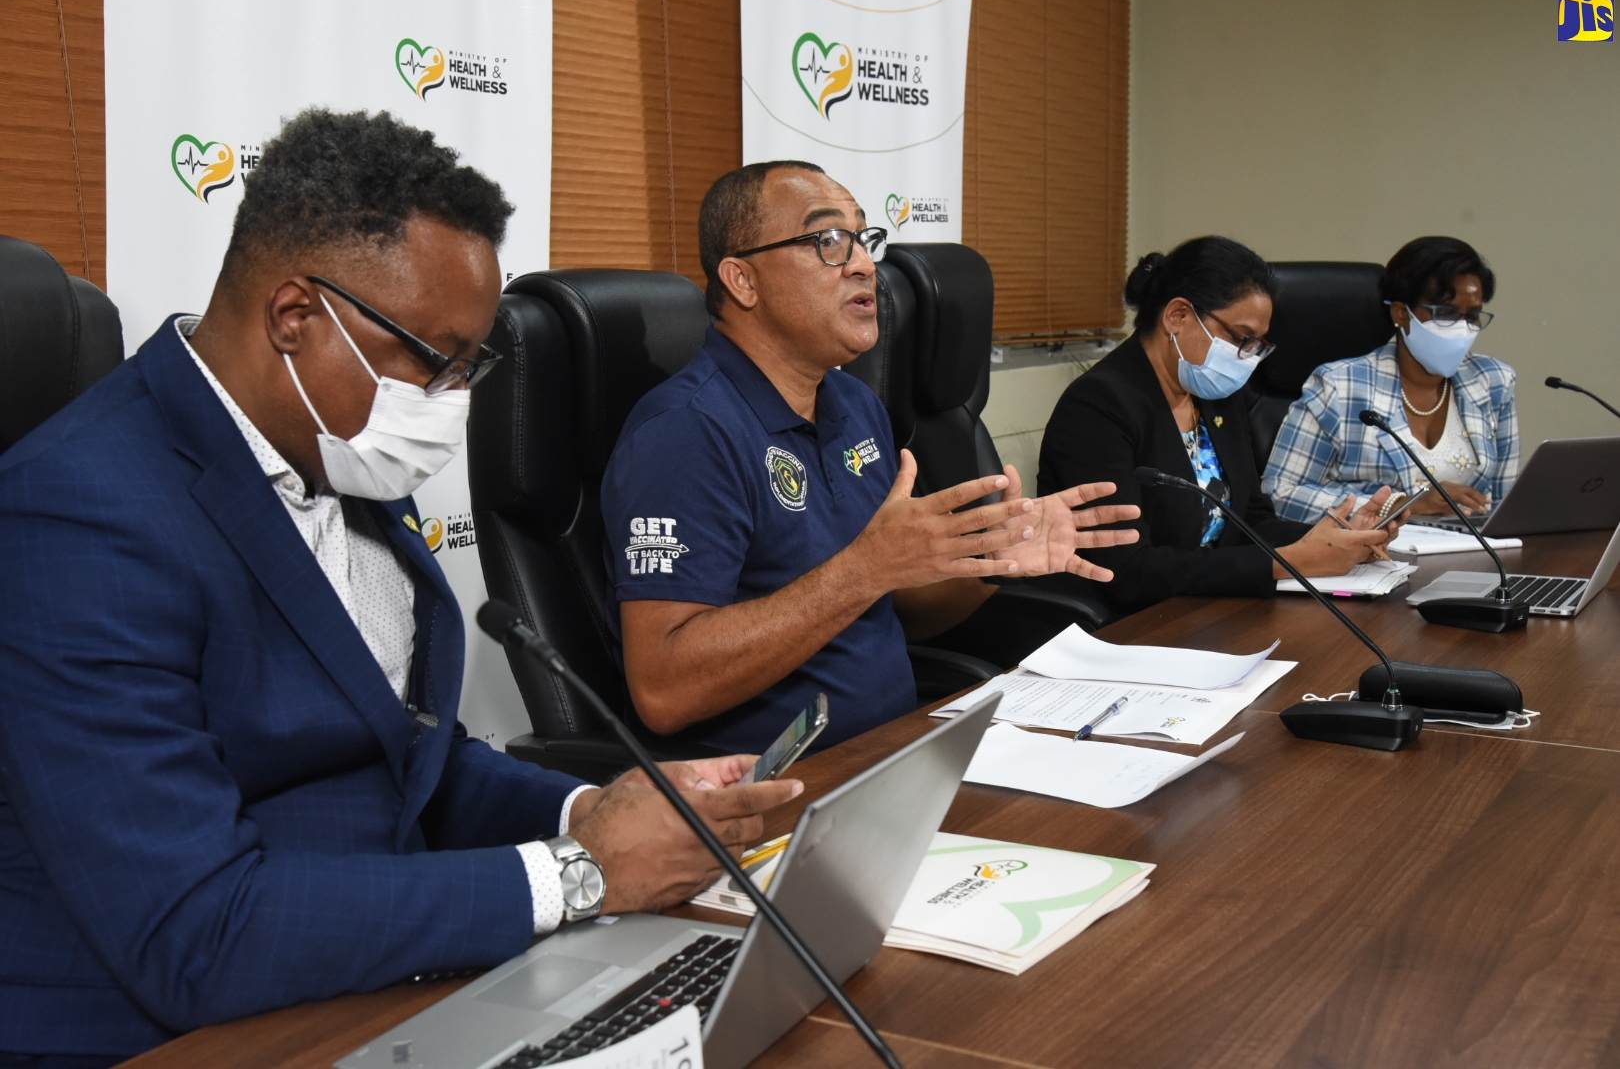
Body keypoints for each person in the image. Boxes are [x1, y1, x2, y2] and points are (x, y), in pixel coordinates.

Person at [0, 109, 799, 1067]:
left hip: (383, 977)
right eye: (431, 360)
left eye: (472, 365)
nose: (449, 403)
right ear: (296, 318)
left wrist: (586, 813)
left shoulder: (341, 451)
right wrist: (577, 877)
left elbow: (407, 762)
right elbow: (193, 931)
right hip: (175, 1032)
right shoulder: (78, 512)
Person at [600, 160, 1139, 754]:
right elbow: (663, 691)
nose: (862, 263)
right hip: (768, 797)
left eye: (863, 238)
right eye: (827, 240)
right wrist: (865, 568)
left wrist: (988, 558)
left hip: (897, 756)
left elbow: (896, 613)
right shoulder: (684, 433)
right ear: (742, 281)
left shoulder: (854, 404)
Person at [1037, 236, 1394, 617]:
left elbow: (1249, 519)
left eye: (1257, 344)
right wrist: (1285, 562)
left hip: (1213, 609)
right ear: (1178, 316)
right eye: (1241, 338)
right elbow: (1127, 570)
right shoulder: (1099, 406)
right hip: (1130, 625)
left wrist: (1337, 539)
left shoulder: (1213, 392)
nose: (1247, 358)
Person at [1263, 236, 1518, 522]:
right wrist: (1401, 504)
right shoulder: (1339, 386)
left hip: (1470, 552)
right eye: (1445, 313)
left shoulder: (1494, 381)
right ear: (1401, 313)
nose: (1462, 328)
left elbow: (1504, 503)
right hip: (1368, 556)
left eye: (1471, 316)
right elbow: (1279, 494)